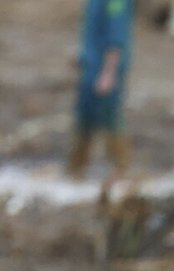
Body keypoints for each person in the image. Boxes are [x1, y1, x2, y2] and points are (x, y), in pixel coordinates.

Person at [69, 0, 133, 178]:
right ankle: (76, 170)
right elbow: (94, 30)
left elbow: (116, 37)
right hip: (91, 68)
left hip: (105, 71)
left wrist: (109, 72)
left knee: (110, 119)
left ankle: (121, 171)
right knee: (84, 119)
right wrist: (83, 56)